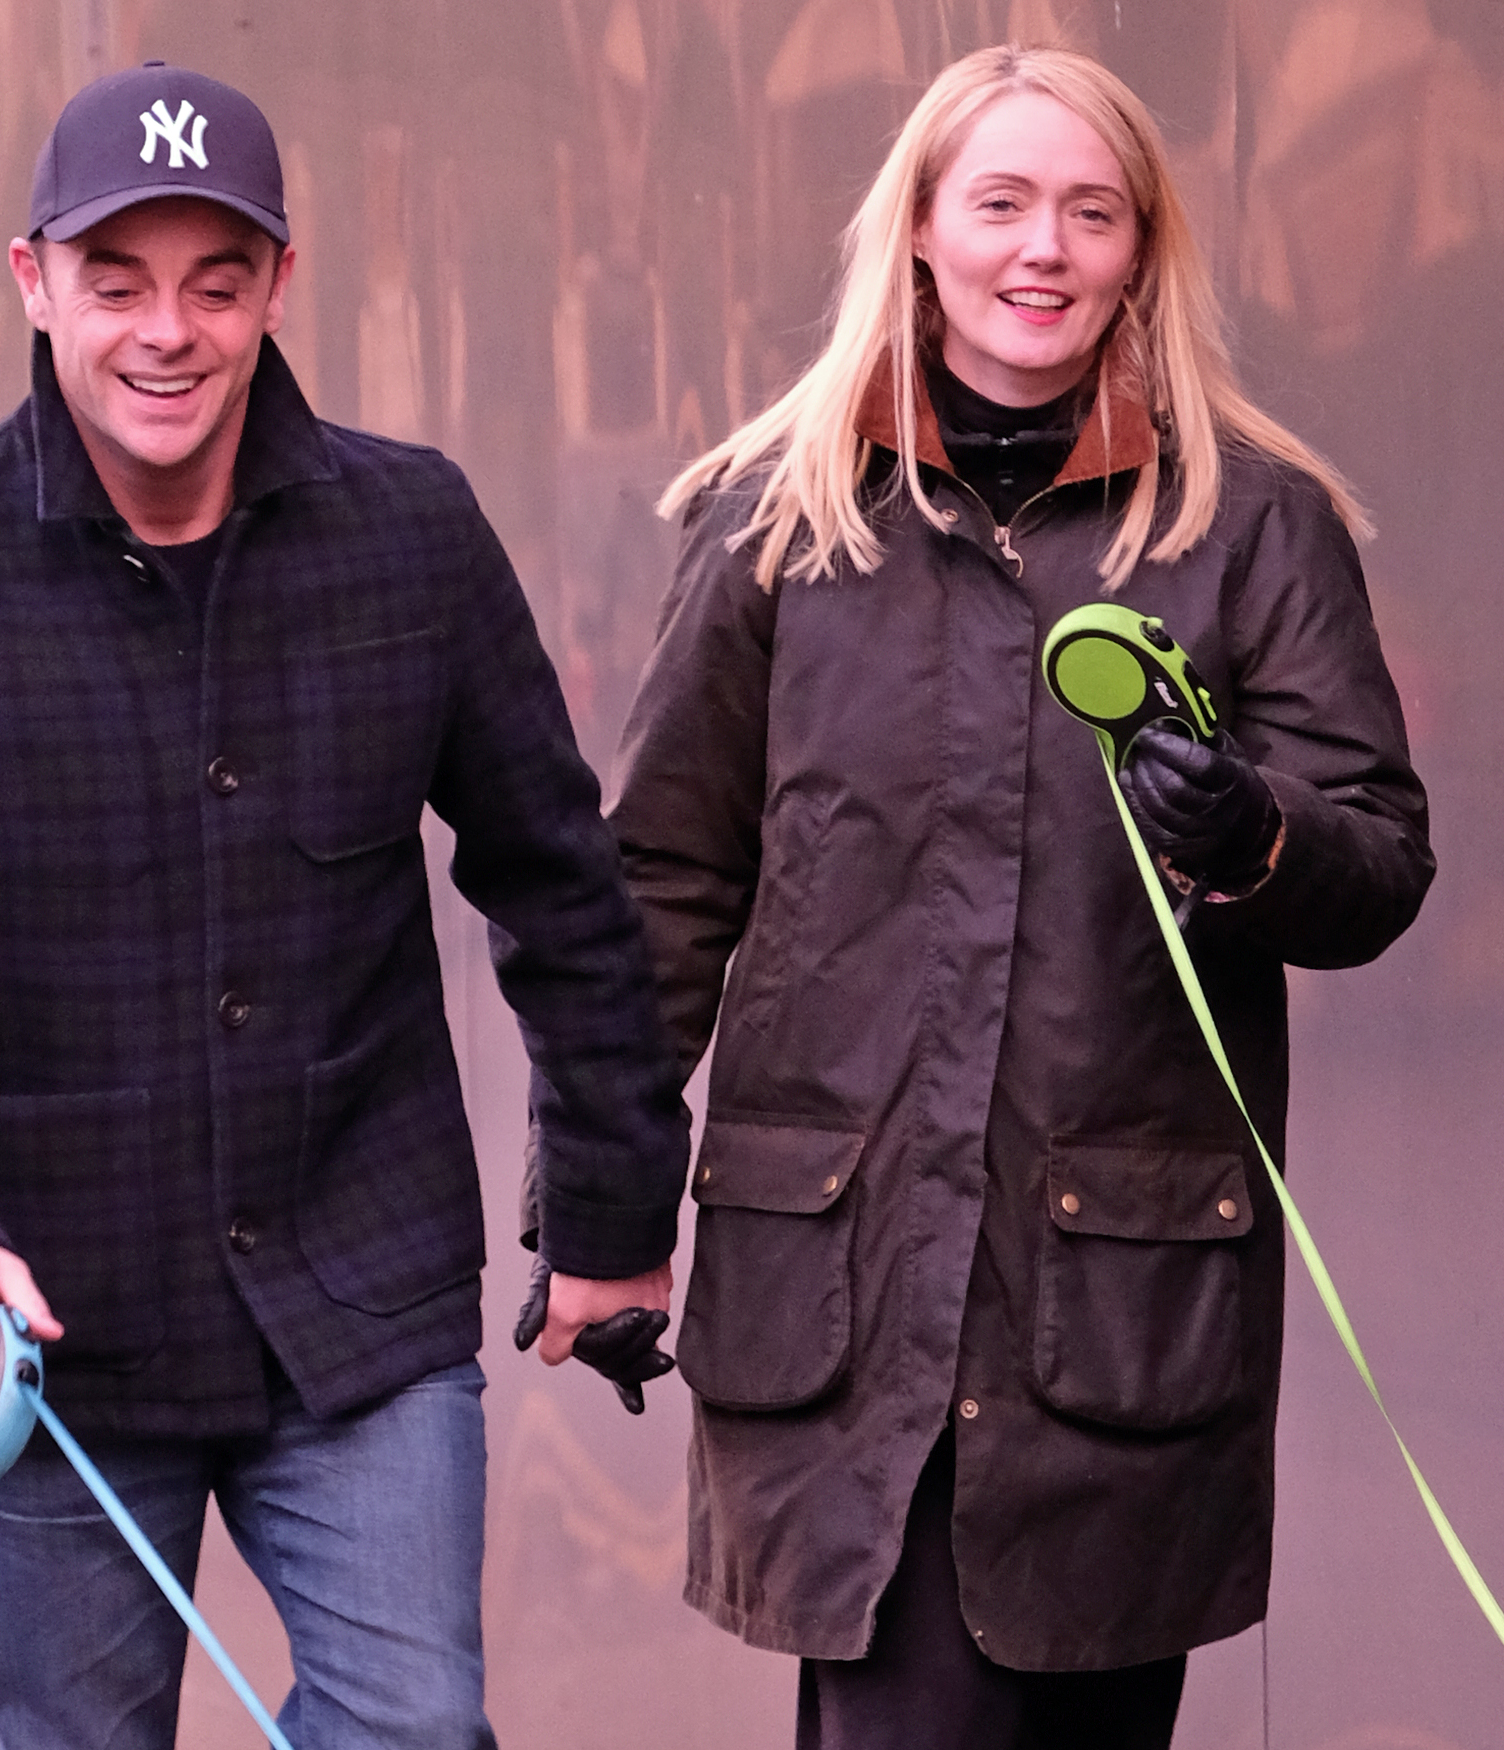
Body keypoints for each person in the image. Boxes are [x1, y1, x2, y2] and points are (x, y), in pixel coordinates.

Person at [0, 62, 685, 1750]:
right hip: (51, 1333)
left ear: (277, 287)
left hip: (364, 1298)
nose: (166, 332)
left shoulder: (413, 535)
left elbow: (562, 879)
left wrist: (615, 1212)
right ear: (34, 282)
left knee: (414, 1729)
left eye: (215, 281)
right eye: (116, 282)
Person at [605, 42, 1435, 1750]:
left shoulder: (1252, 526)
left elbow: (1377, 859)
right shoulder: (782, 519)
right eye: (999, 203)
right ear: (918, 230)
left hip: (1115, 1314)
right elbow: (661, 888)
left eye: (1090, 211)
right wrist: (599, 1212)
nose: (1041, 248)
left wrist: (1250, 828)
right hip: (846, 1294)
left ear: (1143, 251)